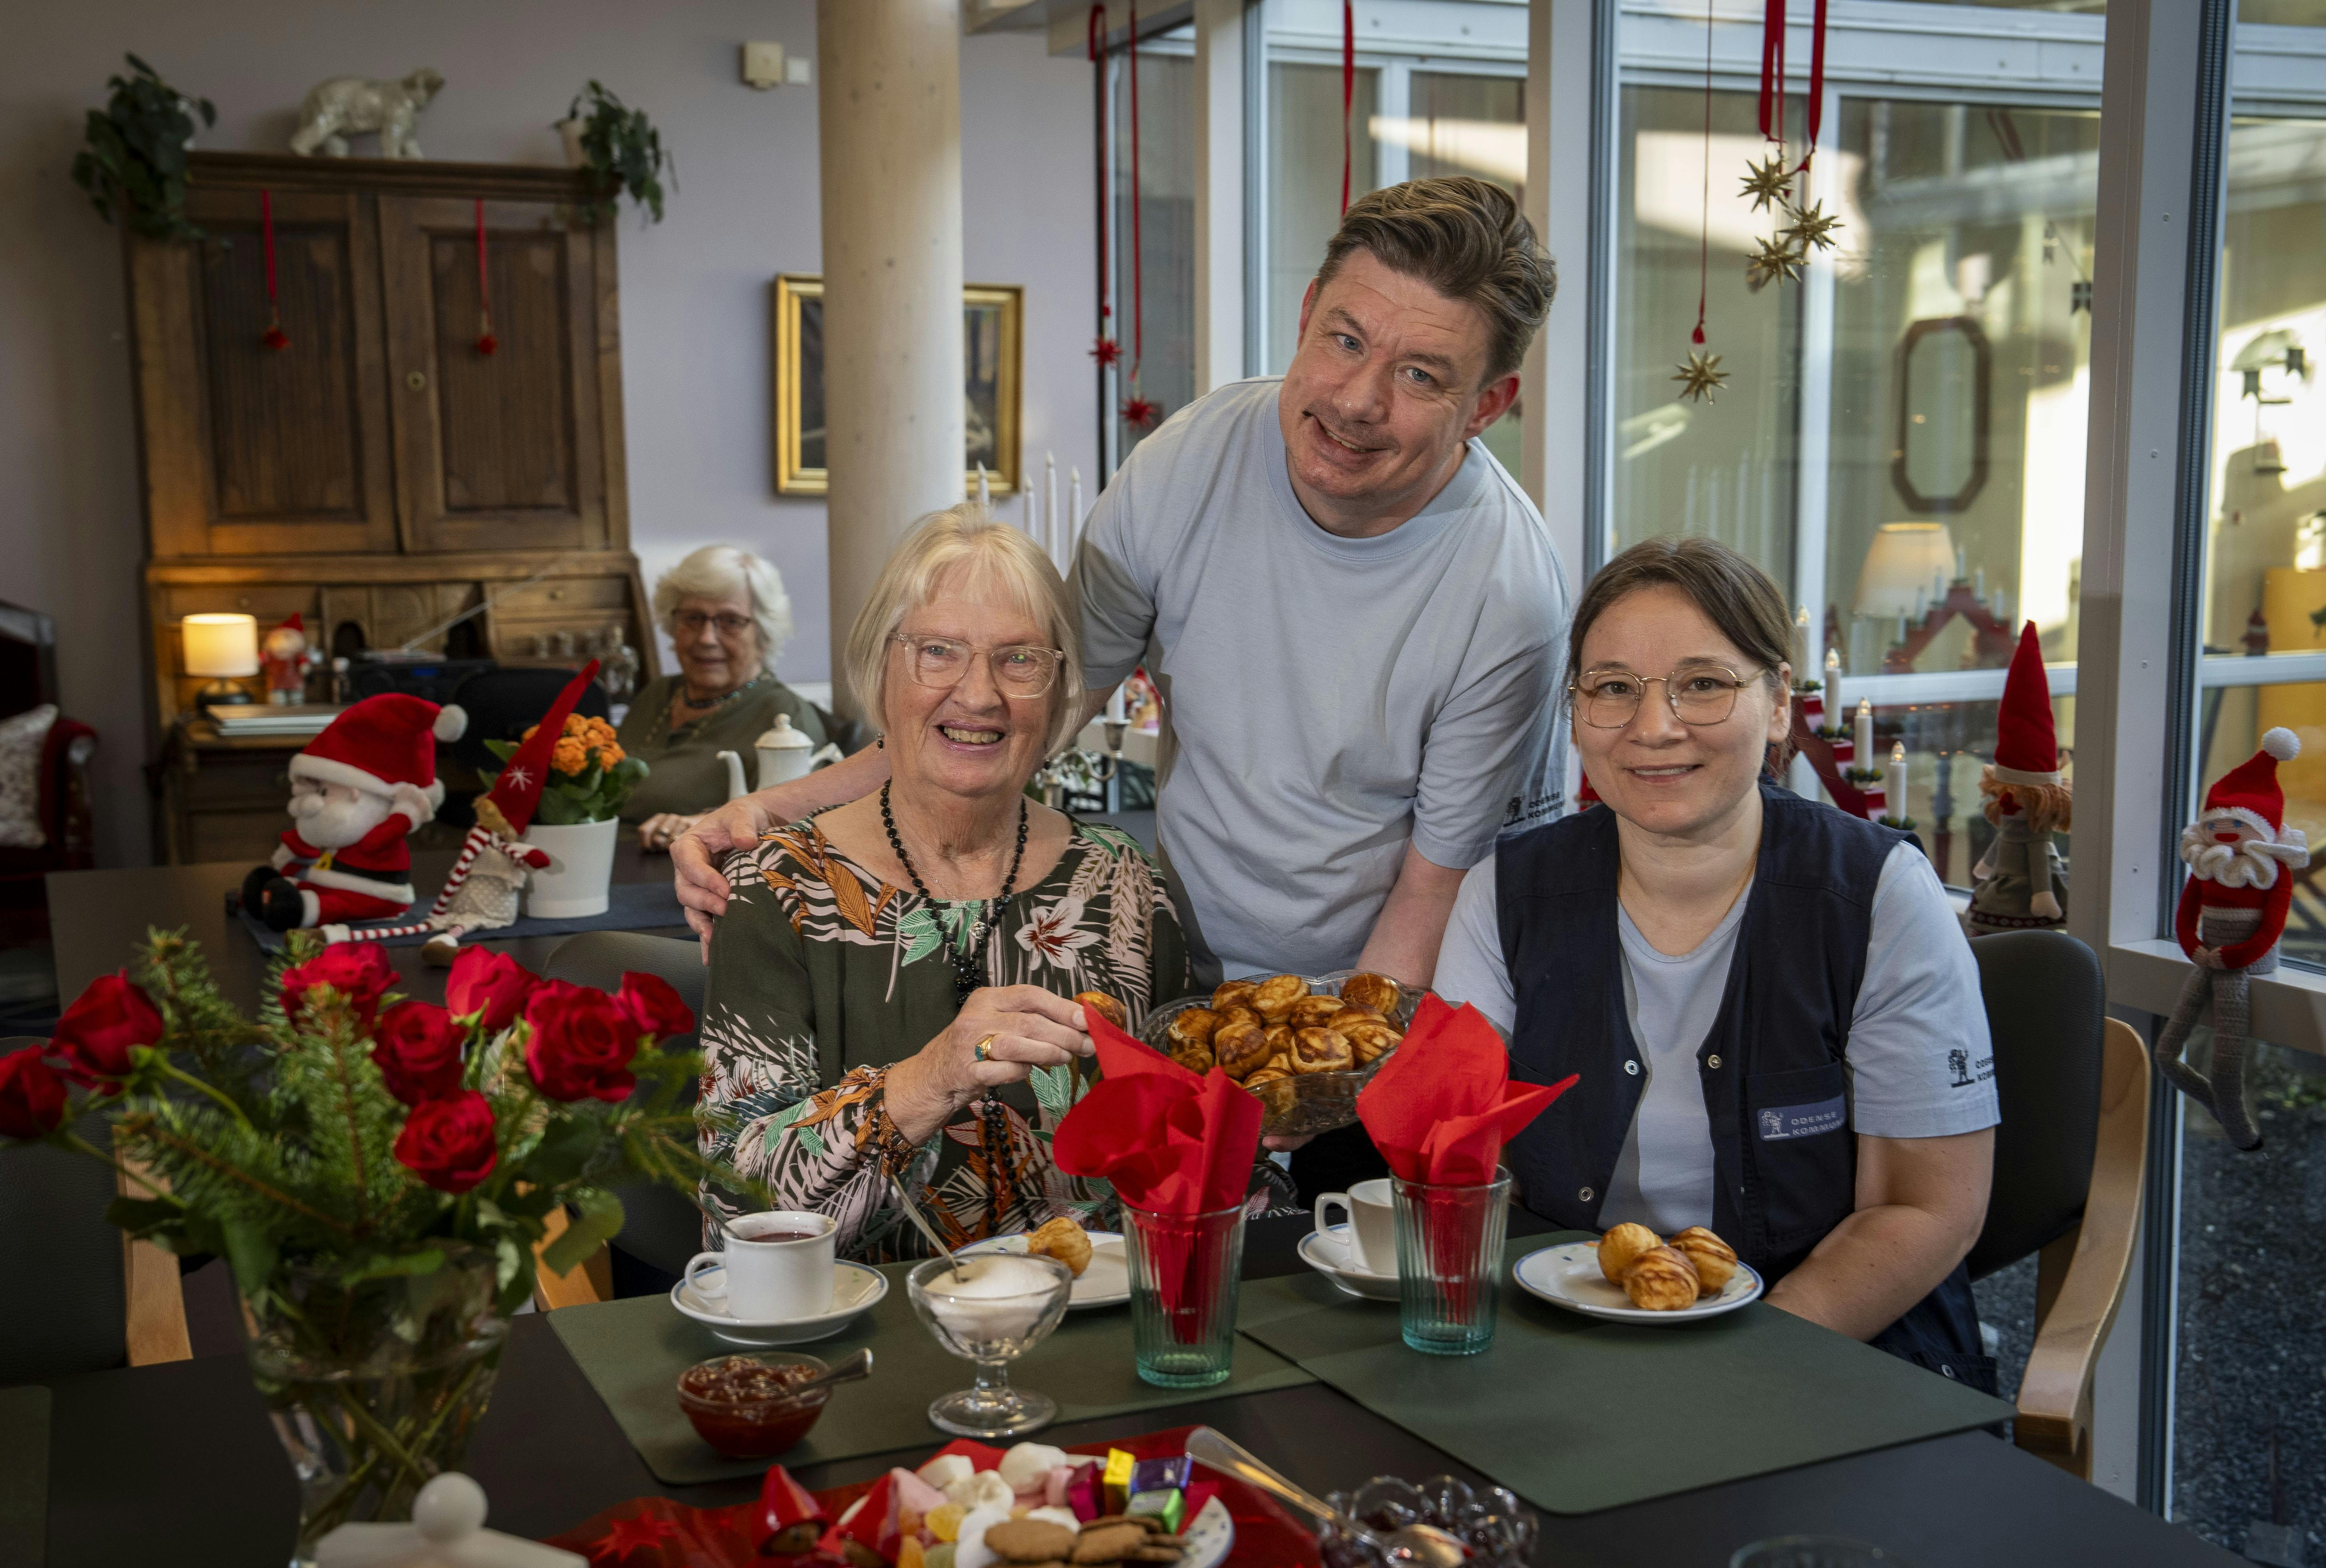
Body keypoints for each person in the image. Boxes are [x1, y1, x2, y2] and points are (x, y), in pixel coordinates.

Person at [673, 176, 1572, 1192]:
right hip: (1173, 979)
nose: (1358, 400)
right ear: (1308, 309)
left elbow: (1430, 887)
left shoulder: (1507, 598)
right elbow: (1020, 710)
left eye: (1420, 374)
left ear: (1488, 405)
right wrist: (770, 811)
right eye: (1346, 338)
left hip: (1374, 1018)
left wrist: (1312, 1087)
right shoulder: (1191, 461)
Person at [1433, 537, 2001, 1387]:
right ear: (1576, 708)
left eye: (1702, 683)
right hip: (1565, 1347)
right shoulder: (1503, 891)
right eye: (1613, 688)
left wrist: (1731, 1380)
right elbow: (1460, 1164)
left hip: (1826, 1357)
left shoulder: (1878, 892)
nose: (1652, 727)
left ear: (1777, 703)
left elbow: (1927, 1209)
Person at [697, 506, 1192, 1261]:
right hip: (865, 1339)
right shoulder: (778, 887)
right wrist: (929, 1079)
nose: (979, 694)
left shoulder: (1120, 883)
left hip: (1094, 1333)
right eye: (937, 652)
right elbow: (736, 1203)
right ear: (879, 669)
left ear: (1059, 687)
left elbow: (1182, 1163)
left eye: (1019, 659)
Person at [619, 545, 829, 850]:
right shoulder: (658, 694)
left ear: (762, 632)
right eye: (693, 618)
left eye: (731, 621)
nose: (707, 638)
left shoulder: (784, 715)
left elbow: (800, 826)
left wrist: (705, 822)